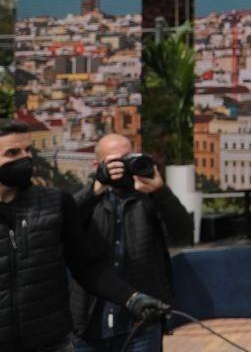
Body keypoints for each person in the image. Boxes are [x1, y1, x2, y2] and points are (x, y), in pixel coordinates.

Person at [0, 120, 169, 352]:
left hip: (51, 342)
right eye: (12, 152)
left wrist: (133, 299)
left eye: (28, 150)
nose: (25, 158)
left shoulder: (55, 202)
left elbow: (86, 266)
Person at [70, 133, 194, 351]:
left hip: (140, 321)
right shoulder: (89, 200)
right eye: (115, 161)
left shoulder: (148, 198)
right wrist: (95, 191)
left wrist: (160, 192)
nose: (123, 166)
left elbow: (183, 233)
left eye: (128, 158)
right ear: (97, 164)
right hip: (90, 320)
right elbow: (63, 225)